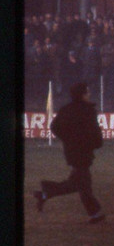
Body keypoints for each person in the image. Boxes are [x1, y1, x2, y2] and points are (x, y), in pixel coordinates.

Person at [33, 82, 106, 223]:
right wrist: (96, 143)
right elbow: (94, 130)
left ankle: (46, 193)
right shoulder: (88, 110)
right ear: (82, 94)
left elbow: (54, 127)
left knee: (78, 182)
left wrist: (68, 139)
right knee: (84, 185)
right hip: (83, 151)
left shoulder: (66, 109)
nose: (89, 94)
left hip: (72, 151)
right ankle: (95, 214)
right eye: (87, 92)